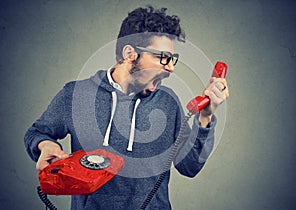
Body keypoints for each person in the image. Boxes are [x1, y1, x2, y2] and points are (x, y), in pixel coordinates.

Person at [24, 6, 229, 210]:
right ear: (130, 53)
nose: (171, 68)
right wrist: (44, 144)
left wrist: (206, 116)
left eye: (172, 59)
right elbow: (37, 132)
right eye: (163, 57)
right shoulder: (76, 94)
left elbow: (190, 166)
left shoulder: (168, 102)